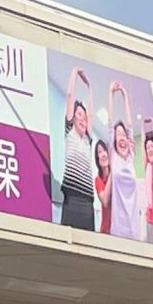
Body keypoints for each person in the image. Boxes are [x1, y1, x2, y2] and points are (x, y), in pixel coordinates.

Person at [58, 70, 97, 230]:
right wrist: (75, 72)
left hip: (88, 202)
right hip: (72, 199)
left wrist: (89, 87)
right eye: (78, 114)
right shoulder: (70, 132)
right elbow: (69, 95)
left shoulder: (88, 139)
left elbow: (91, 115)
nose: (82, 117)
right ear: (72, 118)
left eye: (84, 115)